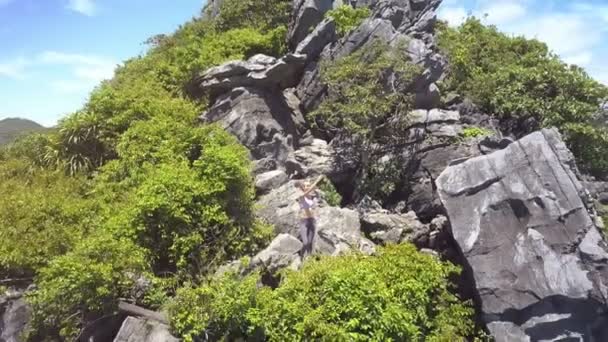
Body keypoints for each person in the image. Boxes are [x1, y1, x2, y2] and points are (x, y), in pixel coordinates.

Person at [295, 175, 324, 258]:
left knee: (311, 243)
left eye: (308, 185)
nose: (306, 187)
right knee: (305, 242)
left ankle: (309, 261)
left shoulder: (311, 196)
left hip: (311, 220)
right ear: (302, 187)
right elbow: (308, 191)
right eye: (304, 186)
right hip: (303, 222)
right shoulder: (301, 196)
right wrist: (316, 181)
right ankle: (301, 257)